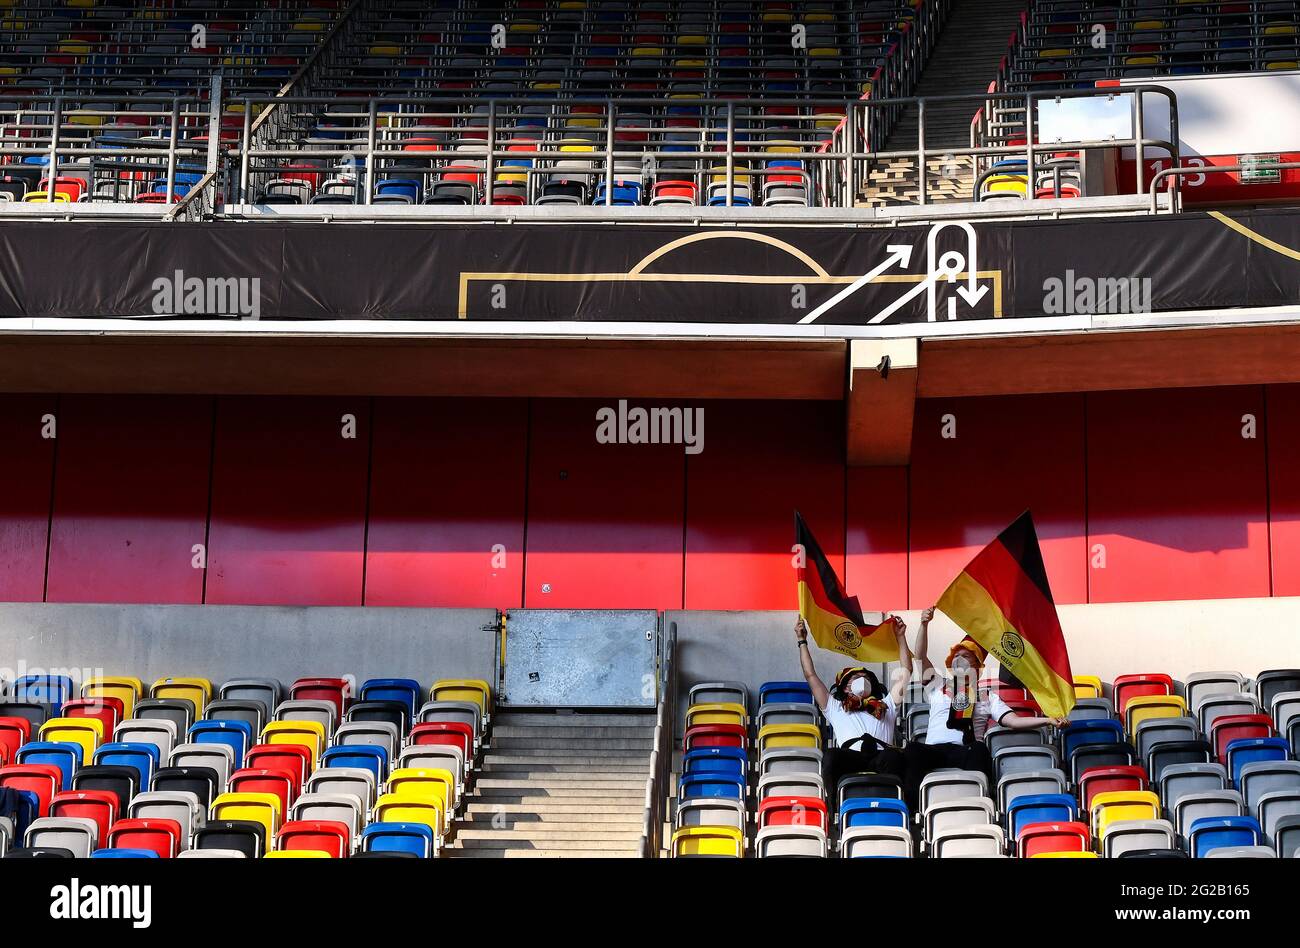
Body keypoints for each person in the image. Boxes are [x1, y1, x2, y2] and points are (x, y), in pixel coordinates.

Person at [901, 606, 1066, 812]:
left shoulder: (987, 695)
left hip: (966, 749)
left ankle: (978, 805)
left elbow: (1013, 721)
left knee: (980, 750)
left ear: (977, 665)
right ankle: (913, 811)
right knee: (913, 750)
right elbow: (920, 657)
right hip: (935, 748)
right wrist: (924, 625)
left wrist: (1048, 720)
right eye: (957, 656)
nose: (960, 659)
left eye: (967, 656)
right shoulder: (938, 685)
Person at [794, 614, 911, 794]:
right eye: (855, 678)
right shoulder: (835, 707)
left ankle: (899, 804)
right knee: (831, 756)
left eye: (866, 678)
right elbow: (810, 675)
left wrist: (901, 637)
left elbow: (906, 672)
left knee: (896, 756)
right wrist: (802, 641)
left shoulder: (886, 704)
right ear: (844, 687)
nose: (862, 680)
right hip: (851, 757)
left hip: (881, 756)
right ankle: (834, 810)